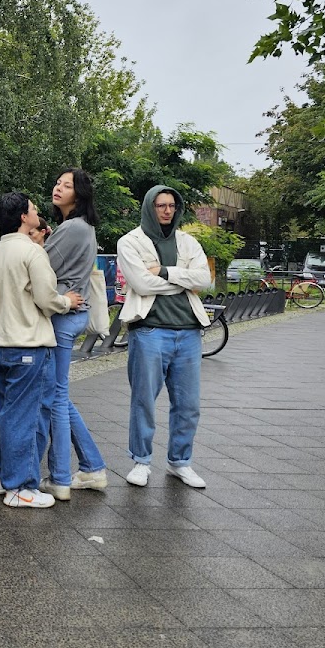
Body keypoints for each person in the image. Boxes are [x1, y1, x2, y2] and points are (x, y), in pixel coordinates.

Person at [0, 193, 82, 509]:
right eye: (34, 209)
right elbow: (46, 298)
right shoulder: (33, 252)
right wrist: (67, 302)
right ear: (24, 217)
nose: (38, 212)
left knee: (3, 414)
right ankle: (20, 487)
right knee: (24, 418)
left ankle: (1, 477)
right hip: (28, 344)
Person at [116, 185, 213, 489]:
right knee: (144, 400)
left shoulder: (187, 241)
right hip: (149, 330)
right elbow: (141, 284)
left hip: (188, 332)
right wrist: (183, 281)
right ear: (150, 207)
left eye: (172, 205)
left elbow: (204, 279)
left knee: (188, 404)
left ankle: (179, 462)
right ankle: (141, 461)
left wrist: (166, 273)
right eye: (161, 205)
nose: (168, 210)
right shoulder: (130, 242)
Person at [37, 168, 110, 498]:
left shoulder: (73, 228)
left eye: (66, 186)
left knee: (55, 398)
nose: (58, 188)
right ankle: (92, 468)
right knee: (60, 396)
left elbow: (37, 267)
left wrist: (33, 241)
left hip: (63, 317)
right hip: (72, 315)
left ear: (78, 195)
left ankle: (60, 477)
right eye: (57, 183)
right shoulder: (79, 228)